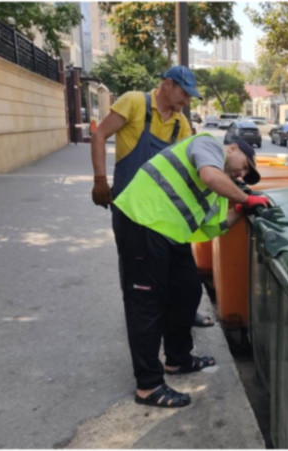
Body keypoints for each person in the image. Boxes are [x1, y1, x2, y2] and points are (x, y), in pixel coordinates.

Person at [113, 131, 268, 408]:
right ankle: (148, 386)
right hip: (141, 221)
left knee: (187, 292)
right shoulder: (208, 145)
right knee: (146, 307)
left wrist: (241, 211)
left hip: (171, 234)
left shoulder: (216, 193)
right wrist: (245, 199)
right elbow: (210, 175)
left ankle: (178, 359)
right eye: (244, 165)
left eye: (246, 174)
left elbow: (214, 228)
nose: (242, 175)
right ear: (232, 148)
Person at [90, 66, 214, 328]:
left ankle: (182, 314)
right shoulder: (134, 102)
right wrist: (100, 179)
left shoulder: (181, 123)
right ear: (167, 84)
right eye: (184, 93)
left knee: (175, 268)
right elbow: (99, 134)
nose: (186, 101)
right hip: (129, 206)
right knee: (135, 268)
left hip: (163, 209)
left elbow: (189, 165)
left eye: (190, 97)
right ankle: (139, 320)